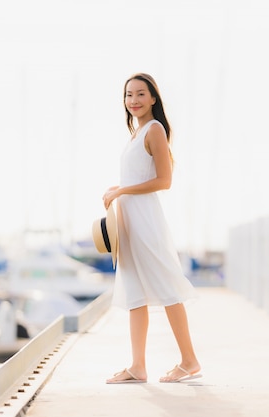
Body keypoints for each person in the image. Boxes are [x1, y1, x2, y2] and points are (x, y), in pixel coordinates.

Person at [103, 73, 201, 384]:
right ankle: (137, 366)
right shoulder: (136, 133)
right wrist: (119, 188)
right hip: (129, 221)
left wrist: (121, 192)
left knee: (167, 286)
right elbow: (137, 178)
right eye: (129, 95)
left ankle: (189, 361)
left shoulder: (154, 129)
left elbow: (164, 181)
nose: (134, 100)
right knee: (134, 292)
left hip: (145, 221)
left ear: (153, 99)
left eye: (140, 94)